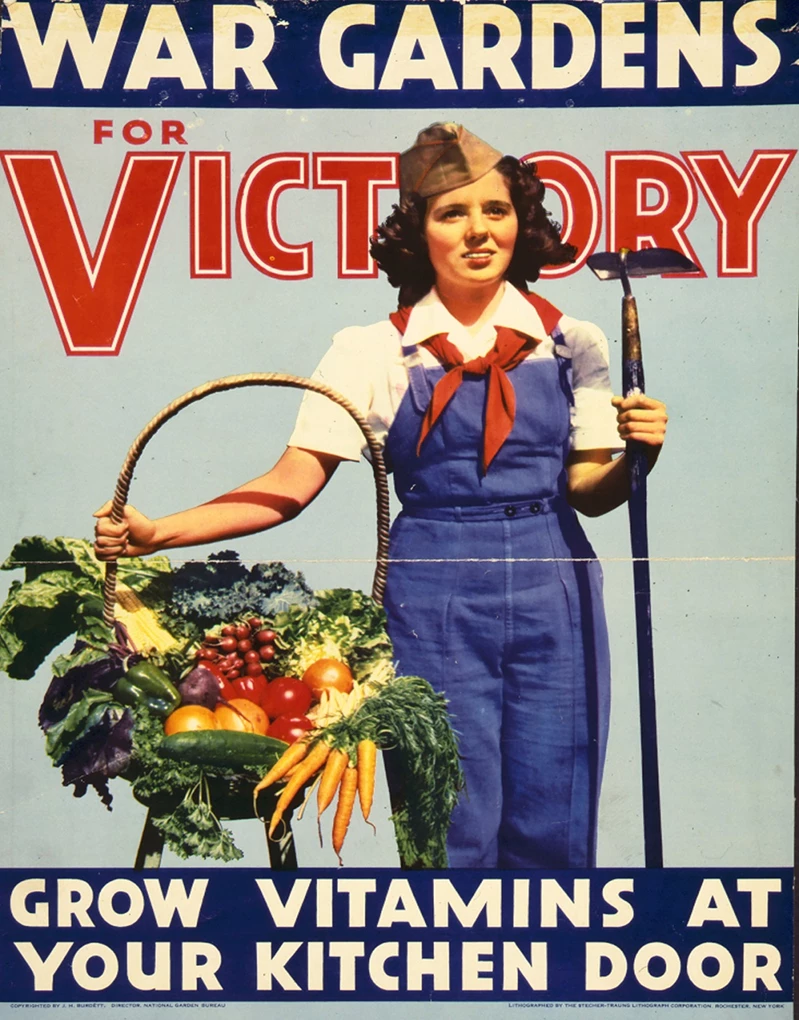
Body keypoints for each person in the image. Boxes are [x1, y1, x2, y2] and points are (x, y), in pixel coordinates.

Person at [95, 123, 667, 869]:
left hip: (554, 577)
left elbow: (590, 492)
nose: (477, 232)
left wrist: (639, 457)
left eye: (494, 210)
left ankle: (546, 974)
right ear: (418, 232)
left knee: (555, 805)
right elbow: (289, 485)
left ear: (521, 221)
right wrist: (157, 532)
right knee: (445, 807)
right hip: (433, 589)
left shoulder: (575, 342)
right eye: (450, 214)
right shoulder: (369, 350)